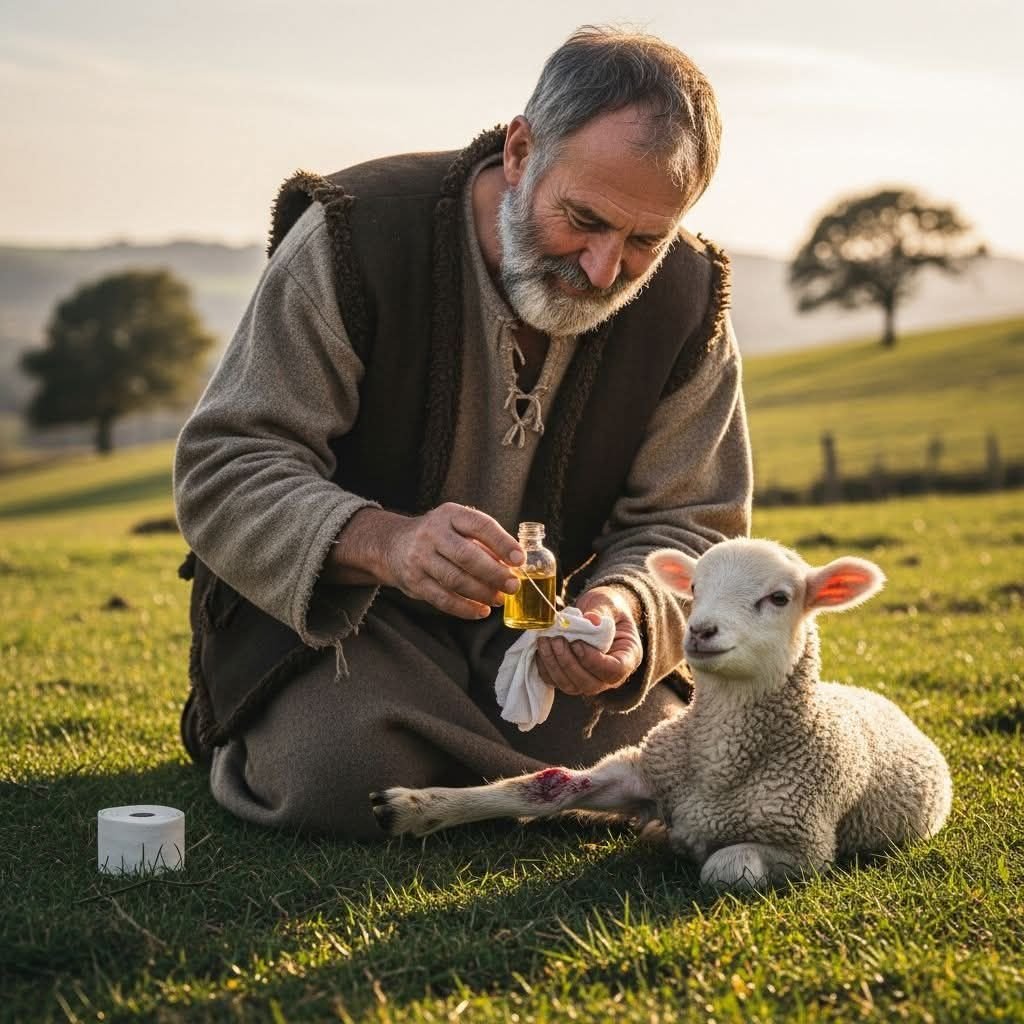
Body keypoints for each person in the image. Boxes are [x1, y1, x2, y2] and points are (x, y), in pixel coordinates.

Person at [173, 25, 753, 840]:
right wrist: (387, 543)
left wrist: (625, 608)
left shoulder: (689, 300)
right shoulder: (357, 236)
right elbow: (227, 466)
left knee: (664, 757)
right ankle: (478, 768)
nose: (601, 269)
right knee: (342, 770)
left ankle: (470, 773)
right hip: (352, 623)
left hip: (544, 633)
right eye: (583, 218)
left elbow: (693, 524)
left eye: (644, 240)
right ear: (521, 151)